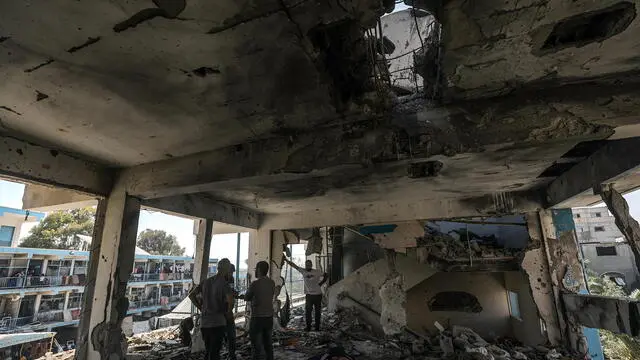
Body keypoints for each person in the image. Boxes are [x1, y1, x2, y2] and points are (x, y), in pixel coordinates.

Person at [200, 258, 234, 360]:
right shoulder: (224, 284)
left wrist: (201, 307)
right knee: (215, 353)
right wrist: (228, 313)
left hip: (205, 322)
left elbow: (193, 296)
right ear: (227, 269)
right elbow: (230, 301)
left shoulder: (206, 282)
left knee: (208, 351)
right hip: (217, 322)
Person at [242, 261, 275, 360]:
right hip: (269, 317)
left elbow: (247, 297)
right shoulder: (271, 282)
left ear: (259, 270)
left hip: (257, 318)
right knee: (268, 344)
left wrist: (242, 295)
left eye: (256, 269)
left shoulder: (255, 284)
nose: (255, 271)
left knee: (257, 346)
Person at [283, 258, 327, 331]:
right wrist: (287, 261)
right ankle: (308, 327)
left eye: (309, 265)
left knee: (317, 312)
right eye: (307, 265)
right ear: (305, 265)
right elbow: (294, 265)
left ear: (311, 265)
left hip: (318, 295)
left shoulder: (317, 272)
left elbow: (326, 275)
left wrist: (321, 283)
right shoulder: (303, 271)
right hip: (309, 295)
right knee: (308, 312)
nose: (308, 266)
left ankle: (317, 328)